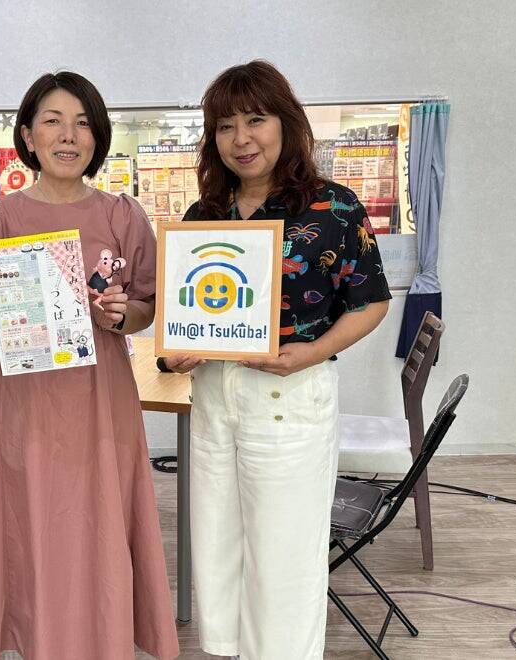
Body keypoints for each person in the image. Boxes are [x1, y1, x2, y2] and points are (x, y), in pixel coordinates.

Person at [163, 60, 392, 659]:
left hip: (291, 398)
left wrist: (313, 352)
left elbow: (371, 301)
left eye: (255, 120)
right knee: (218, 549)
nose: (241, 139)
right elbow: (186, 309)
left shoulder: (333, 208)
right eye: (225, 126)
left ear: (286, 123)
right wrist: (178, 353)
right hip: (215, 399)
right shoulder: (205, 215)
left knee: (284, 559)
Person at [0, 71, 180, 660]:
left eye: (83, 123)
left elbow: (145, 309)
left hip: (101, 394)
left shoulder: (123, 215)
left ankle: (105, 639)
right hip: (28, 399)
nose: (68, 135)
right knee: (33, 520)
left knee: (101, 517)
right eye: (53, 122)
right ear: (27, 136)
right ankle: (40, 641)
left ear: (98, 136)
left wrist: (120, 314)